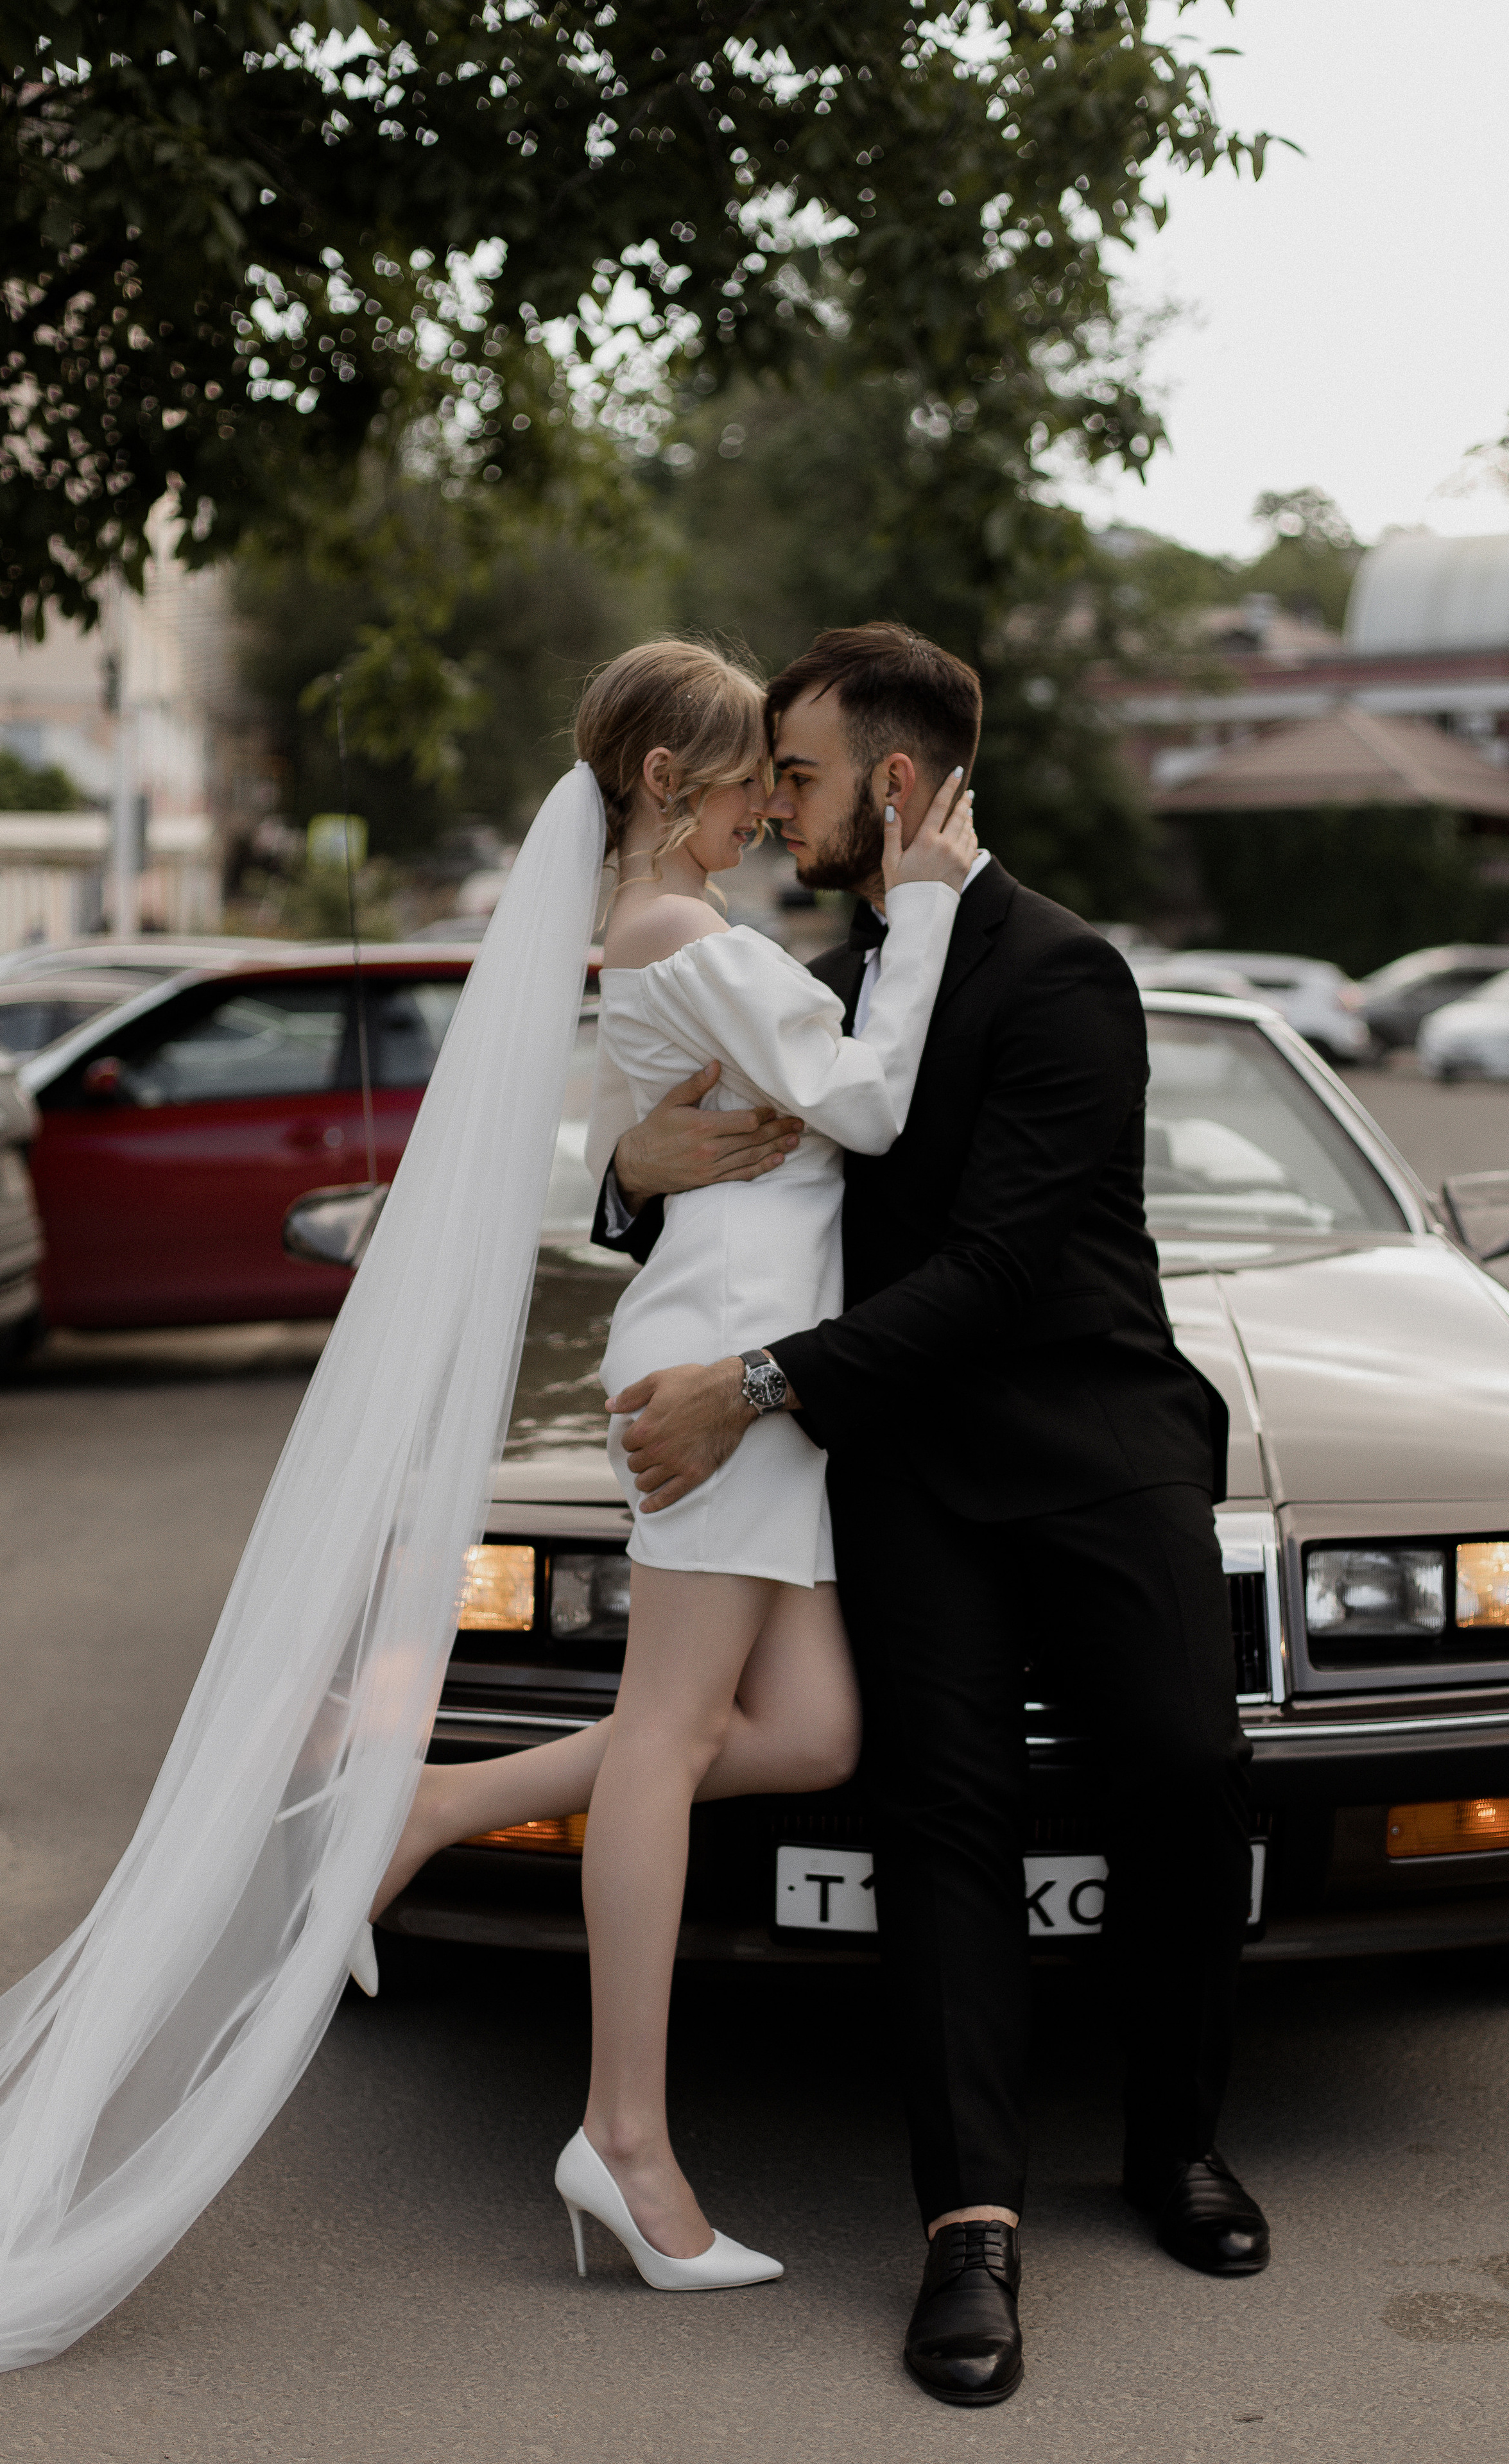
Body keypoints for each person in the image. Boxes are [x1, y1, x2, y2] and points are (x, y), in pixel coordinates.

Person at [592, 622, 1268, 2408]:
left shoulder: (1064, 973)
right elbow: (726, 1189)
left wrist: (751, 1387)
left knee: (1185, 1771)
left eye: (800, 774)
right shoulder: (812, 971)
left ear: (892, 784)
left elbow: (993, 1265)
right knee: (937, 1816)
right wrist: (623, 1170)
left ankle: (1172, 2138)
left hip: (1092, 1431)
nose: (780, 805)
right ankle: (970, 2224)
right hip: (898, 1465)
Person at [368, 638, 978, 2288]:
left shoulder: (675, 934)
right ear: (664, 784)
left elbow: (649, 1135)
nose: (765, 817)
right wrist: (922, 910)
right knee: (665, 1738)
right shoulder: (674, 927)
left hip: (754, 1358)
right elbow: (863, 1102)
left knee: (809, 1729)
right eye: (742, 787)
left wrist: (635, 1153)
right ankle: (624, 2140)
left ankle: (443, 1801)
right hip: (720, 1361)